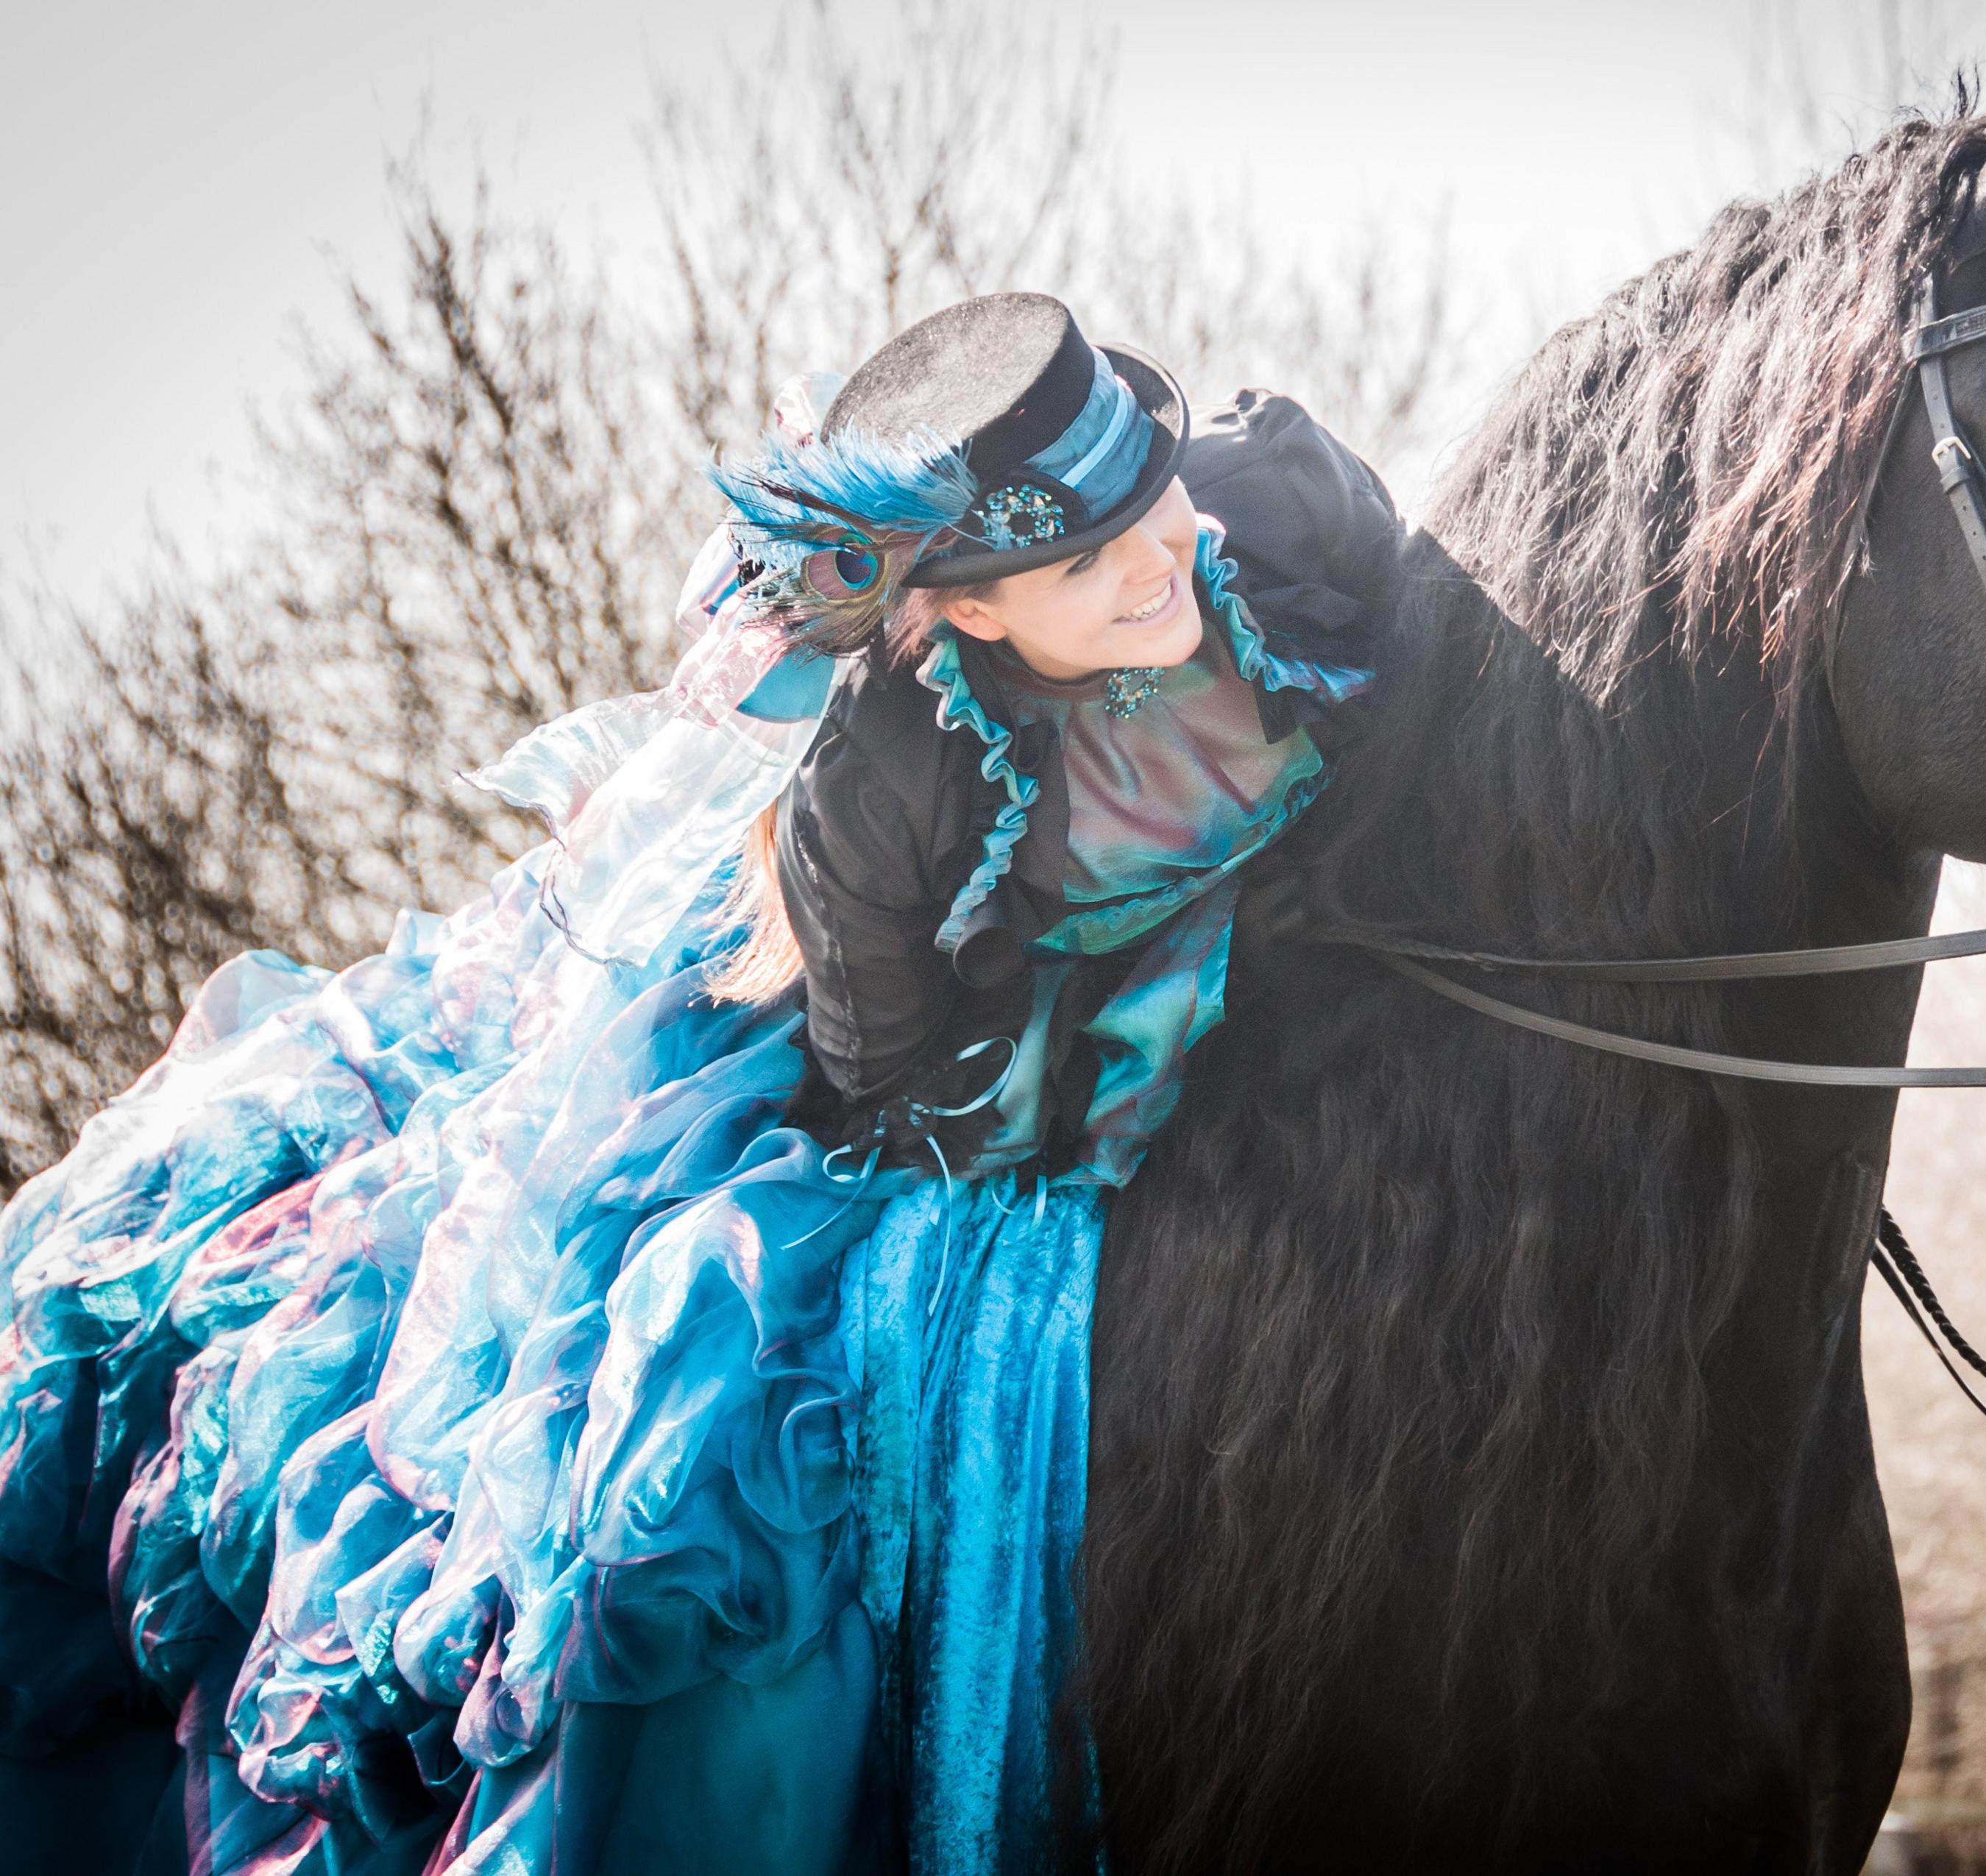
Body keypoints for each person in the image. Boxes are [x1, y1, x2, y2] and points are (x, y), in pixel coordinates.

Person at [0, 291, 1401, 1875]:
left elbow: (1416, 661)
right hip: (919, 1035)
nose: (1157, 564)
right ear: (981, 617)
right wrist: (1124, 1037)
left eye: (1150, 503)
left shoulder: (1271, 513)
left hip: (1237, 929)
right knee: (714, 1452)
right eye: (1086, 563)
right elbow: (889, 1082)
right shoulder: (892, 782)